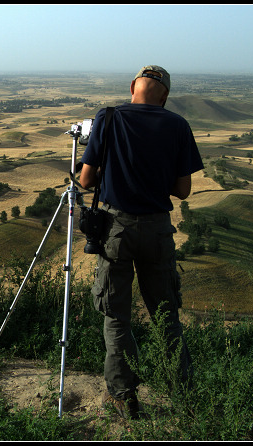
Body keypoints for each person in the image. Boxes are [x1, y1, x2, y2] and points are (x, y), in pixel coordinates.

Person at [79, 65, 203, 420]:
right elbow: (182, 190)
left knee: (117, 316)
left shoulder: (109, 117)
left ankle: (123, 397)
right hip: (158, 230)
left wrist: (114, 172)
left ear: (133, 87)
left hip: (116, 229)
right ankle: (184, 396)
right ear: (164, 96)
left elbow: (86, 180)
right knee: (166, 315)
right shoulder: (177, 124)